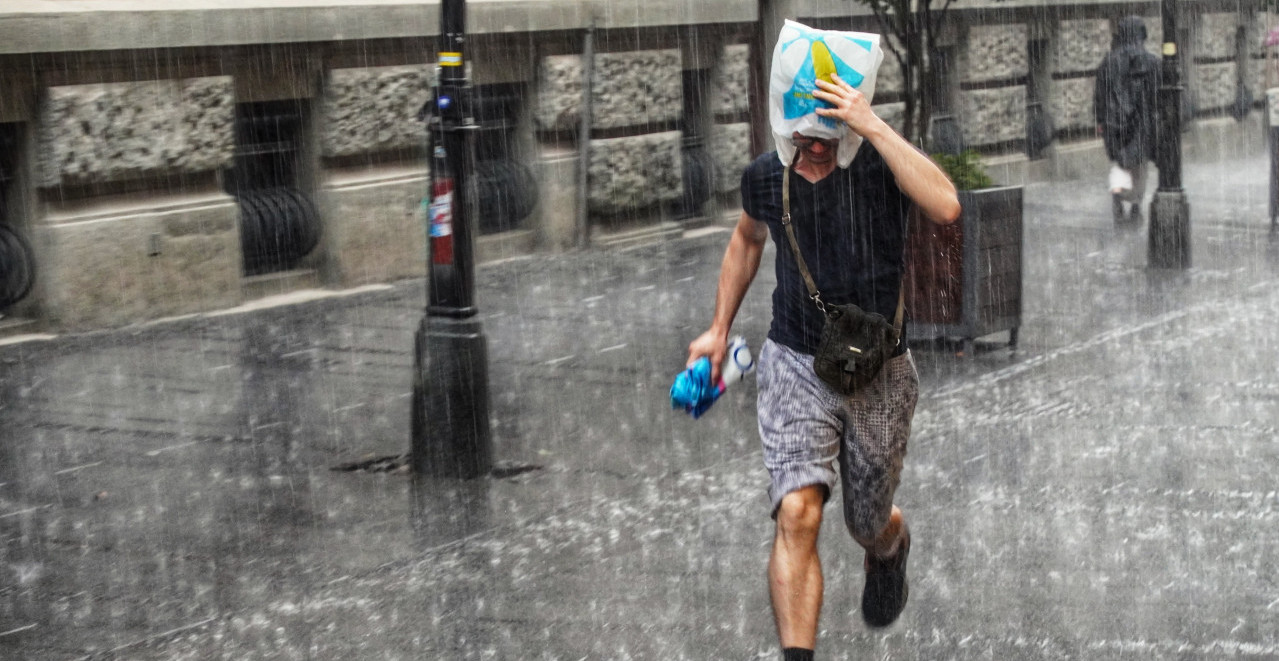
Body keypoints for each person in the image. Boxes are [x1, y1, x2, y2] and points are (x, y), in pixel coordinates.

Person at [685, 71, 960, 659]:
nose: (813, 152)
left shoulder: (880, 165)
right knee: (797, 512)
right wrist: (718, 329)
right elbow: (747, 241)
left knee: (865, 520)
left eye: (826, 140)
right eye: (802, 139)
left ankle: (888, 544)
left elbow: (946, 204)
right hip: (795, 364)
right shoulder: (766, 177)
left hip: (881, 374)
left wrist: (872, 124)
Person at [1094, 16, 1161, 225]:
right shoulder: (1151, 62)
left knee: (1121, 164)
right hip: (1141, 123)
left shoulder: (1108, 62)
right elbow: (1157, 97)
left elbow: (1100, 95)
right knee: (1139, 166)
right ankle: (1134, 205)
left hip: (1114, 124)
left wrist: (1101, 119)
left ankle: (1118, 195)